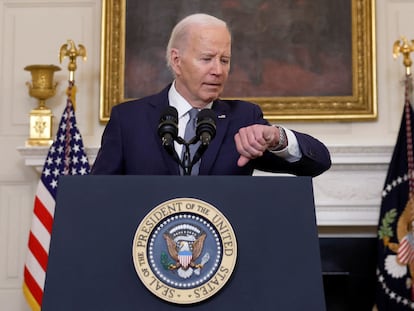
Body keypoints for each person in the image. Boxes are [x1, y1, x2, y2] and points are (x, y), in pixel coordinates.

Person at [91, 13, 331, 177]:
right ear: (177, 61)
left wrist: (276, 137)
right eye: (207, 59)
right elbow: (99, 194)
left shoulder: (244, 118)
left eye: (224, 60)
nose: (218, 70)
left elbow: (318, 162)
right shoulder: (129, 120)